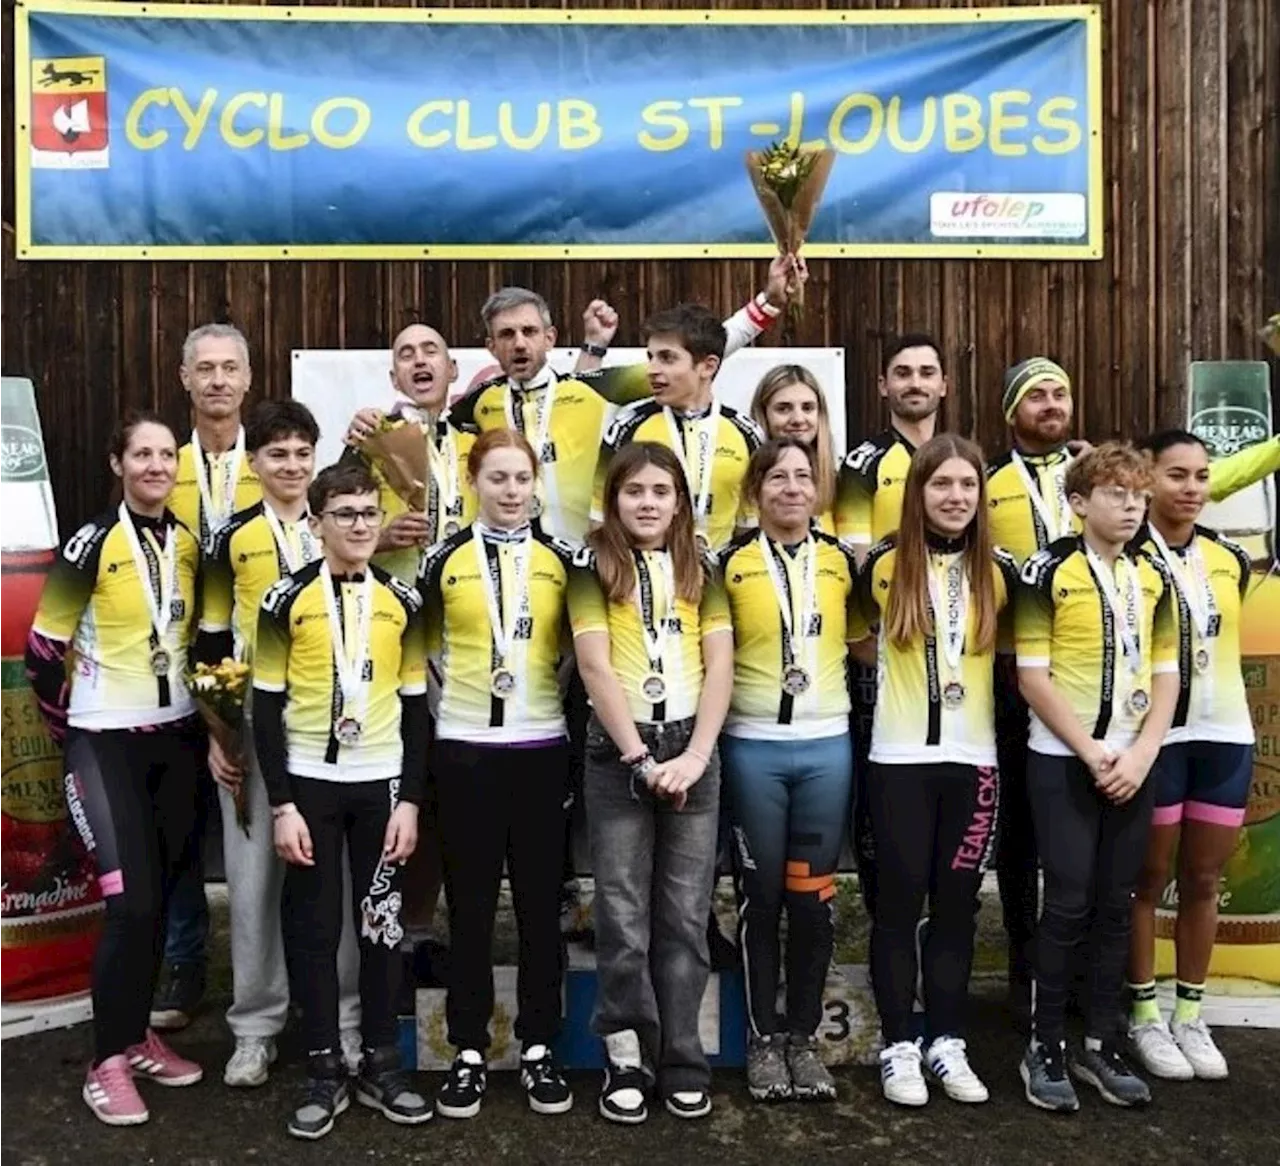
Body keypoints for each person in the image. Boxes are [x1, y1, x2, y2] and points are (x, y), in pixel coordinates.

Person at [988, 358, 1280, 1016]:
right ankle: (1030, 984)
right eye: (1036, 394)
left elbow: (1224, 477)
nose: (1051, 402)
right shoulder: (990, 484)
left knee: (1121, 878)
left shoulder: (1166, 549)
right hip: (1034, 685)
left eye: (1060, 390)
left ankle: (1117, 1009)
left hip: (1140, 718)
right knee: (1034, 851)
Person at [26, 412, 204, 1126]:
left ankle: (134, 1037)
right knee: (129, 902)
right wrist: (72, 731)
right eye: (143, 454)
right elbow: (43, 652)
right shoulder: (90, 542)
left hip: (178, 740)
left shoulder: (188, 544)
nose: (157, 466)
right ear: (117, 463)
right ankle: (104, 1062)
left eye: (166, 455)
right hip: (106, 743)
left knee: (159, 898)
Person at [253, 461, 431, 1139]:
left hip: (381, 784)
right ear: (318, 522)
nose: (358, 525)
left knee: (381, 926)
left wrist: (410, 800)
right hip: (308, 785)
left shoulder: (403, 601)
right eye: (344, 514)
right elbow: (265, 710)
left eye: (367, 513)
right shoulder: (283, 600)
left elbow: (417, 711)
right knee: (315, 927)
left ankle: (383, 1061)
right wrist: (282, 805)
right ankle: (324, 1065)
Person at [197, 400, 363, 1087]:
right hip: (255, 732)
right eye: (276, 455)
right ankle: (255, 1027)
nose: (291, 466)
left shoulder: (343, 530)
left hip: (336, 733)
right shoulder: (228, 538)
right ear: (255, 463)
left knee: (341, 877)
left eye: (302, 453)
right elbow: (208, 645)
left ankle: (347, 1018)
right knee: (255, 879)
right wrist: (218, 733)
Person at [569, 442, 734, 1123]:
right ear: (614, 499)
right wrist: (640, 760)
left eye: (660, 491)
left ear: (679, 501)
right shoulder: (592, 566)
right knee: (622, 914)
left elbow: (720, 664)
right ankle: (627, 1055)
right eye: (633, 491)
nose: (646, 503)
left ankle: (684, 1056)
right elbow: (594, 666)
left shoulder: (704, 566)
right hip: (621, 752)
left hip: (691, 746)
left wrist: (695, 757)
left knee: (685, 916)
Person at [852, 435, 1018, 1107]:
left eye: (967, 486)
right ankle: (898, 1045)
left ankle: (947, 1041)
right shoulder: (881, 567)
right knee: (895, 907)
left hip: (974, 763)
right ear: (917, 492)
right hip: (899, 761)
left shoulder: (1002, 573)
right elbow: (855, 640)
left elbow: (1017, 655)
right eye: (941, 484)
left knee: (956, 909)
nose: (955, 497)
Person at [418, 429, 578, 1120]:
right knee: (473, 906)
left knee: (542, 906)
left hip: (541, 748)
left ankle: (542, 1047)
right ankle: (468, 1050)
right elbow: (419, 661)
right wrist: (453, 721)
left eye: (521, 479)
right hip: (465, 749)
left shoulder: (563, 561)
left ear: (536, 483)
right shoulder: (441, 561)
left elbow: (579, 657)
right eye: (497, 479)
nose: (511, 491)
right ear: (472, 483)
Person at [1015, 443, 1178, 1112]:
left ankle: (1102, 1043)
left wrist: (1139, 755)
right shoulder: (1046, 569)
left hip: (1134, 763)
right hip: (1064, 759)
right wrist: (1091, 752)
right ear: (1079, 503)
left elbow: (1169, 678)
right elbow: (1031, 675)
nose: (1133, 505)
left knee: (1118, 904)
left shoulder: (1154, 576)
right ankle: (1044, 1045)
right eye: (1117, 494)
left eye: (1139, 495)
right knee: (1069, 903)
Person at [717, 439, 857, 1103]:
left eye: (804, 476)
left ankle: (802, 1036)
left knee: (812, 903)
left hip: (826, 748)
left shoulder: (841, 563)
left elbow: (863, 641)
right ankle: (762, 1039)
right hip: (753, 749)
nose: (793, 488)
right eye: (778, 477)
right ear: (756, 489)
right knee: (760, 898)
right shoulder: (729, 564)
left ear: (819, 488)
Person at [1126, 430, 1254, 1081]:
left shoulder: (1230, 558)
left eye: (1202, 476)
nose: (1193, 489)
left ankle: (1191, 1014)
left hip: (1225, 734)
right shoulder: (1125, 559)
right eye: (1178, 475)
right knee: (1147, 881)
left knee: (1204, 881)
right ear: (1147, 479)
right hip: (1157, 739)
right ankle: (1144, 1013)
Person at [155, 322, 263, 1032]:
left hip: (254, 669)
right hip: (168, 663)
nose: (219, 380)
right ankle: (184, 958)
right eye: (206, 369)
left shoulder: (282, 463)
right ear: (186, 380)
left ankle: (270, 970)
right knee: (176, 820)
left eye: (230, 368)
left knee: (253, 818)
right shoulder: (163, 464)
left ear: (248, 380)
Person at [836, 333, 947, 918]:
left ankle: (939, 914)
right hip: (882, 650)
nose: (915, 382)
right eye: (902, 373)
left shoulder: (957, 459)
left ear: (944, 385)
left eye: (926, 372)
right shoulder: (861, 462)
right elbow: (854, 559)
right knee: (881, 791)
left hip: (955, 661)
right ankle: (888, 917)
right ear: (882, 385)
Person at [594, 304, 763, 552]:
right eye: (650, 357)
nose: (651, 370)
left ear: (708, 366)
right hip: (644, 579)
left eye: (667, 358)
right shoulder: (626, 427)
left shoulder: (747, 433)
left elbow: (749, 528)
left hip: (717, 581)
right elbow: (598, 521)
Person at [343, 322, 478, 583]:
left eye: (430, 351)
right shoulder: (371, 438)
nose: (418, 360)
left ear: (452, 369)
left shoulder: (478, 438)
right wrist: (381, 538)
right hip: (394, 600)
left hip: (465, 594)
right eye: (406, 355)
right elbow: (331, 528)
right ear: (394, 379)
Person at [749, 364, 840, 533]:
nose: (798, 419)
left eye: (807, 408)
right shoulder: (744, 481)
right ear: (763, 414)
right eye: (783, 408)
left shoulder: (840, 483)